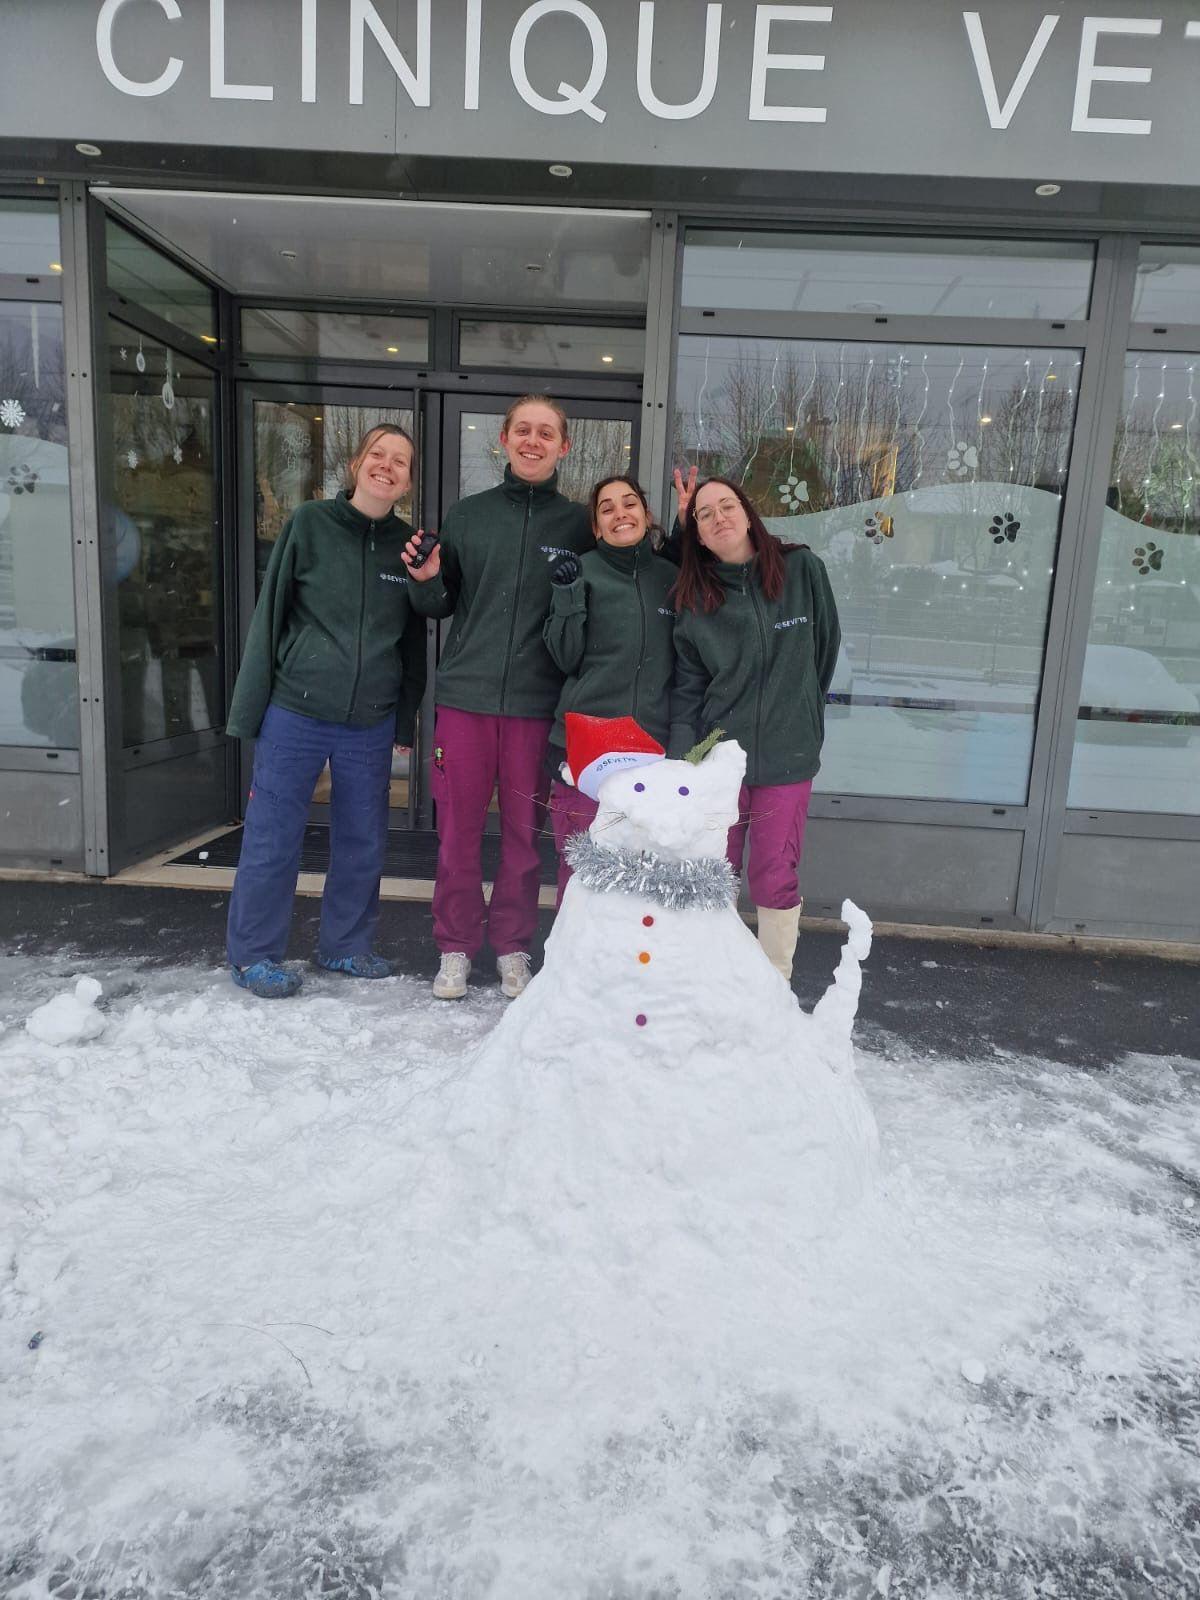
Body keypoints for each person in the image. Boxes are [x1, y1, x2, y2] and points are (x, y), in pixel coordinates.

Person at [224, 424, 427, 998]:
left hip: (370, 717)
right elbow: (270, 616)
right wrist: (250, 709)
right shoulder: (309, 524)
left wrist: (404, 717)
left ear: (409, 480)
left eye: (401, 461)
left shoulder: (408, 546)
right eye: (378, 455)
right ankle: (255, 954)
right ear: (357, 463)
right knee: (273, 835)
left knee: (363, 839)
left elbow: (412, 645)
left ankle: (346, 946)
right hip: (297, 709)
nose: (387, 467)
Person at [402, 395, 593, 1001]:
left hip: (538, 707)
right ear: (504, 441)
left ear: (564, 447)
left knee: (522, 834)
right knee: (456, 833)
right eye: (523, 431)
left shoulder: (579, 526)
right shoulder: (468, 515)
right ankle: (455, 946)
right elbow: (440, 604)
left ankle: (513, 946)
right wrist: (427, 582)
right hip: (465, 699)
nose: (533, 442)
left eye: (546, 433)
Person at [668, 476, 840, 985]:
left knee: (773, 874)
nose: (719, 517)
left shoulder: (802, 570)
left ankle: (772, 984)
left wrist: (801, 714)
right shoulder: (694, 598)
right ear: (696, 533)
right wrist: (685, 763)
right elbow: (687, 686)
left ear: (747, 514)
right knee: (715, 873)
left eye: (727, 505)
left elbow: (823, 654)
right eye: (705, 514)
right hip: (722, 760)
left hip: (788, 757)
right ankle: (710, 978)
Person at [542, 474, 677, 902]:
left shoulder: (672, 577)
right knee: (582, 876)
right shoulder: (583, 571)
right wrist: (566, 595)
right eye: (607, 508)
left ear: (646, 514)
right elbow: (564, 657)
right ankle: (573, 966)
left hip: (652, 752)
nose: (621, 513)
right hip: (587, 751)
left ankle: (630, 969)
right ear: (597, 528)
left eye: (629, 503)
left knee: (644, 880)